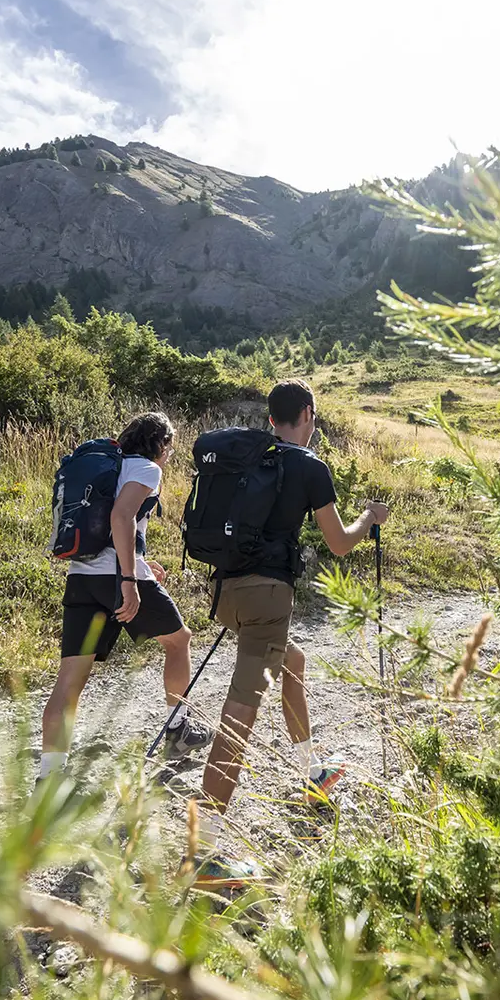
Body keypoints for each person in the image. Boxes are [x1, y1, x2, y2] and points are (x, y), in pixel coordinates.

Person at [194, 380, 390, 888]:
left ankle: (311, 773)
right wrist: (370, 516)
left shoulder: (251, 457)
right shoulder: (309, 467)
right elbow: (340, 543)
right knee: (239, 713)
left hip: (229, 595)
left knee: (293, 661)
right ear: (306, 413)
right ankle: (203, 853)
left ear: (271, 417)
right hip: (267, 599)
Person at [37, 411, 211, 783]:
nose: (168, 456)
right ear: (161, 445)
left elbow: (114, 526)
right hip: (117, 578)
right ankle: (178, 730)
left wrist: (144, 563)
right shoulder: (147, 469)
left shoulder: (111, 466)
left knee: (69, 681)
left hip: (82, 579)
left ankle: (49, 778)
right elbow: (121, 518)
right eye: (169, 448)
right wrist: (130, 579)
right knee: (179, 641)